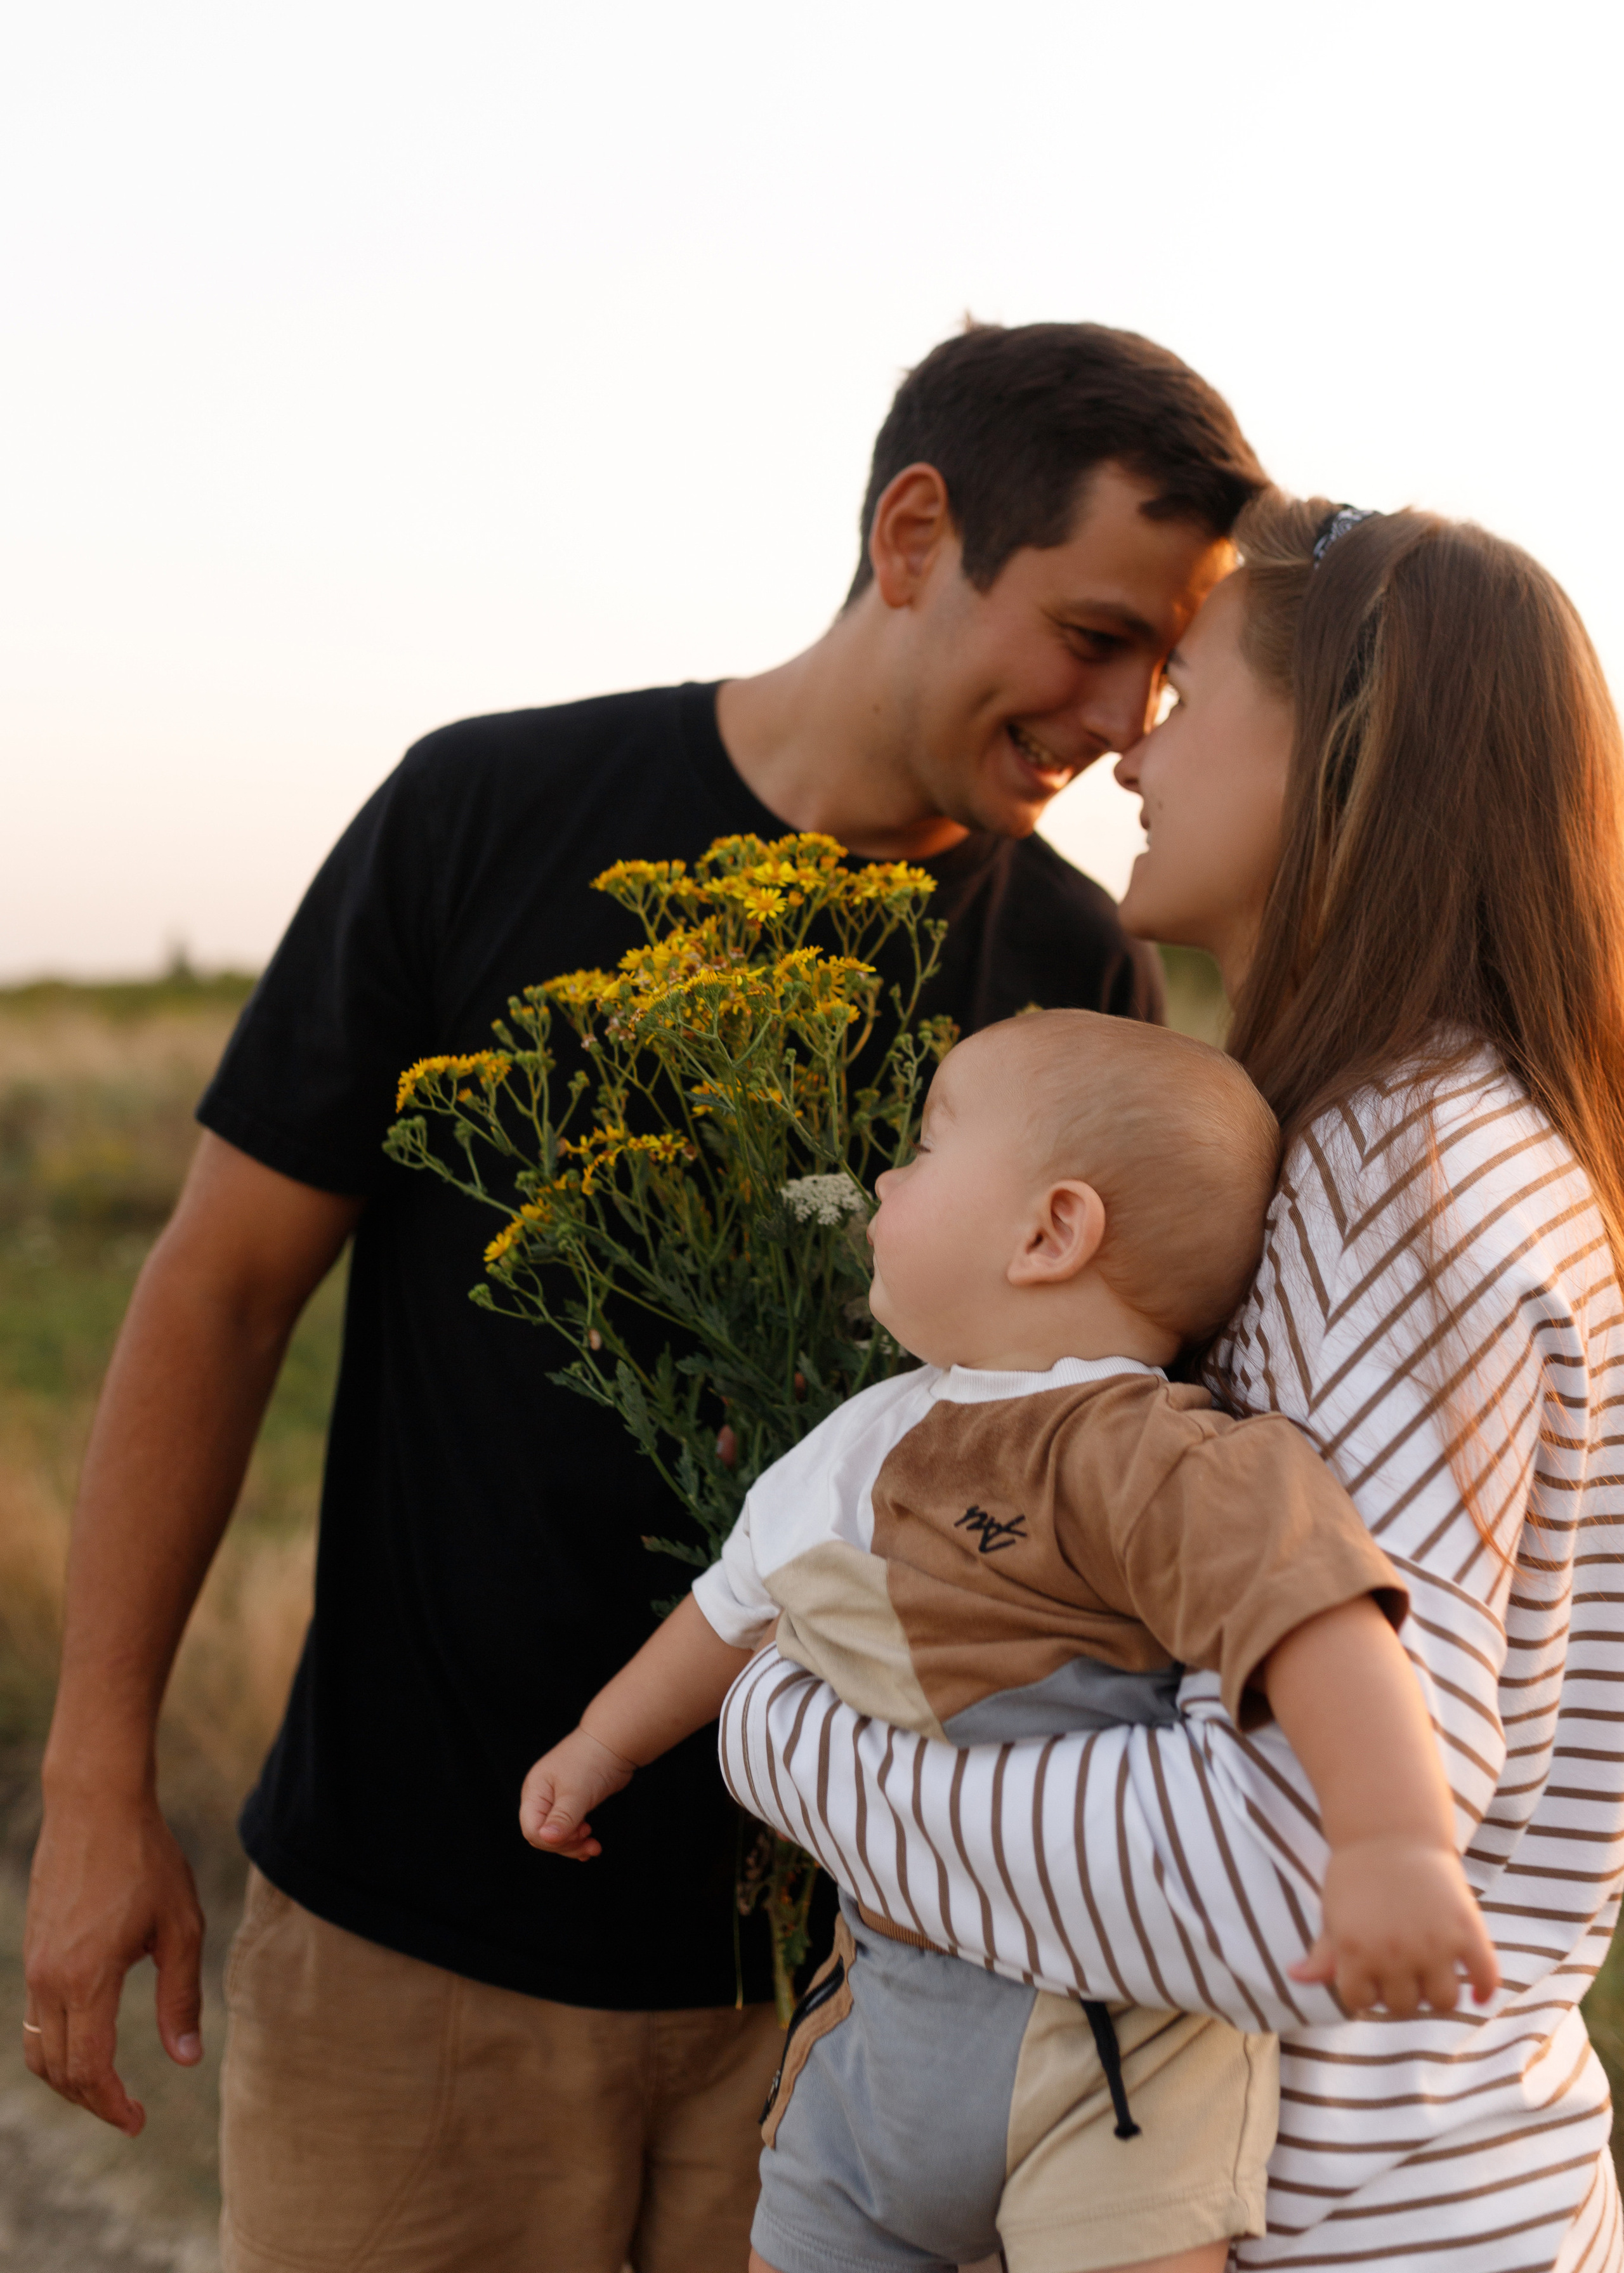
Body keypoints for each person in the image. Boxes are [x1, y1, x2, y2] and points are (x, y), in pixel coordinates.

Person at [22, 322, 1266, 2273]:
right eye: (1095, 635)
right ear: (916, 534)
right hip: (417, 1957)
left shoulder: (1073, 972)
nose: (1122, 720)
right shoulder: (480, 813)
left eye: (1164, 673)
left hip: (851, 2014)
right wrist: (98, 1777)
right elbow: (219, 1294)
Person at [726, 494, 1624, 2272]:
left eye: (1189, 696)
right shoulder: (1423, 1141)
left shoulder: (1400, 1179)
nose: (1132, 752)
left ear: (1344, 758)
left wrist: (781, 1726)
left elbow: (1281, 1871)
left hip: (1364, 2227)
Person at [521, 1009, 1498, 2273]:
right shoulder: (865, 1436)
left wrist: (1389, 1844)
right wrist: (603, 1744)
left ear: (1050, 1233)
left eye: (925, 1150)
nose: (884, 1181)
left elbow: (1312, 1614)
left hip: (1119, 2051)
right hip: (884, 2020)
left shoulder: (1146, 1451)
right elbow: (731, 1606)